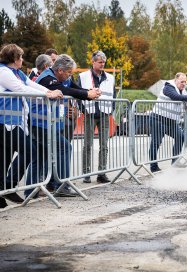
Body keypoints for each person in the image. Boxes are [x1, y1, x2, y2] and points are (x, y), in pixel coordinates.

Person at [26, 54, 101, 198]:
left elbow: (75, 88)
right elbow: (66, 91)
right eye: (68, 73)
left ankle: (31, 191)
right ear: (60, 70)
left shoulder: (63, 78)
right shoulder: (48, 79)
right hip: (41, 124)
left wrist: (91, 92)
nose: (69, 76)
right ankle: (62, 186)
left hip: (48, 124)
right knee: (65, 147)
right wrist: (87, 94)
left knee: (39, 157)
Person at [0, 44, 63, 208]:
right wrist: (47, 93)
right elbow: (20, 88)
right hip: (6, 122)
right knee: (28, 151)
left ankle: (4, 188)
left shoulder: (16, 72)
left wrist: (48, 92)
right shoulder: (4, 72)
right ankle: (8, 184)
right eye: (20, 57)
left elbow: (30, 83)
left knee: (4, 157)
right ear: (14, 59)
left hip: (13, 123)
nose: (22, 60)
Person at [78, 50, 115, 184]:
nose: (102, 64)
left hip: (105, 113)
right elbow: (79, 94)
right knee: (88, 144)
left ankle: (102, 173)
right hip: (90, 113)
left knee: (104, 145)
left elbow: (113, 95)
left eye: (103, 62)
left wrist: (111, 110)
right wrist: (83, 110)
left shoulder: (110, 77)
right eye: (99, 62)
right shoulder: (83, 76)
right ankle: (86, 173)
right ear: (93, 62)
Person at [149, 72, 187, 173]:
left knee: (181, 136)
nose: (184, 83)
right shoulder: (168, 87)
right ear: (176, 80)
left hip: (171, 122)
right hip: (159, 119)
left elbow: (186, 102)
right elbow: (175, 97)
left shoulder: (183, 91)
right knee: (156, 143)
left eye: (185, 82)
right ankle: (153, 166)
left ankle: (175, 162)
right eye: (182, 81)